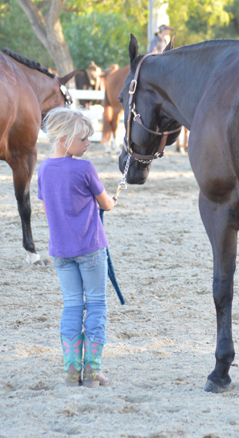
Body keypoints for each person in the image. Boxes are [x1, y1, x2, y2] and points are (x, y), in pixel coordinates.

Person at [38, 108, 115, 388]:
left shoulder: (44, 169)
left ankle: (72, 371)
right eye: (83, 139)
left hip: (60, 250)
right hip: (90, 248)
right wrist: (112, 202)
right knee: (96, 304)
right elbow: (106, 203)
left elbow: (47, 209)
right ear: (62, 139)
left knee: (71, 306)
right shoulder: (85, 169)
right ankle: (92, 371)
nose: (88, 144)